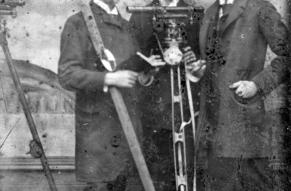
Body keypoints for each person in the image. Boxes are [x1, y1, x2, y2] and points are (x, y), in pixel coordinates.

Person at [58, 0, 164, 190]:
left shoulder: (127, 25)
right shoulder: (78, 22)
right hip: (99, 134)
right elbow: (67, 75)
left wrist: (144, 76)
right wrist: (109, 79)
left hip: (127, 131)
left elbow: (130, 72)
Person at [189, 0, 290, 190]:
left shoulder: (259, 7)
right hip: (212, 131)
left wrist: (257, 85)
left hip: (245, 129)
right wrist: (200, 69)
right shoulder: (210, 12)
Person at [130, 0, 200, 190]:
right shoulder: (140, 16)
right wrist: (147, 71)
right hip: (153, 116)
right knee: (156, 175)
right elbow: (131, 64)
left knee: (188, 172)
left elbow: (207, 61)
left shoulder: (196, 14)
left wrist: (195, 63)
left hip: (188, 114)